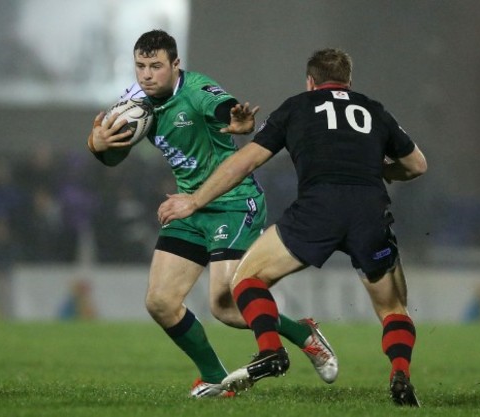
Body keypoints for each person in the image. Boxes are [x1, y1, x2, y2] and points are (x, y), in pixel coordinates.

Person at [158, 48, 427, 406]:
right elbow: (416, 165)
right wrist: (379, 170)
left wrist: (194, 200)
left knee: (247, 279)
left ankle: (270, 349)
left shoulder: (297, 106)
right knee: (393, 309)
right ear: (349, 82)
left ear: (310, 81)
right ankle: (400, 374)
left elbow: (244, 163)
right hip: (369, 211)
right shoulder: (373, 109)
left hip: (318, 210)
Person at [86, 30, 338, 398]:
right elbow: (109, 154)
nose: (146, 75)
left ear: (176, 65)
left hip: (233, 203)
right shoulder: (136, 100)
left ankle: (304, 334)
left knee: (224, 305)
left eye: (156, 66)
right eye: (140, 66)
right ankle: (216, 379)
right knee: (160, 302)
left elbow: (230, 112)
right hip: (188, 206)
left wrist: (240, 122)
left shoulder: (199, 91)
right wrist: (97, 143)